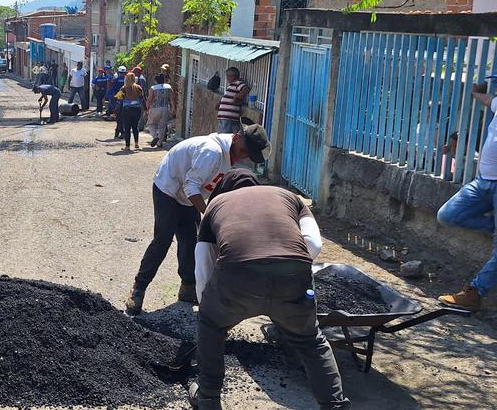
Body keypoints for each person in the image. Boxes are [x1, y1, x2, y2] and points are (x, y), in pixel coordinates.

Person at [188, 169, 350, 410]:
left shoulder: (217, 204)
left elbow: (203, 263)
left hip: (237, 274)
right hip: (293, 275)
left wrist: (213, 313)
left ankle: (208, 399)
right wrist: (286, 269)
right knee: (310, 341)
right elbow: (314, 243)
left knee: (209, 326)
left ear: (224, 190)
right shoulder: (290, 196)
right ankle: (335, 406)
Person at [125, 125, 270, 314]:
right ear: (236, 137)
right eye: (243, 150)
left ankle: (187, 287)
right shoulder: (212, 152)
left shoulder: (227, 155)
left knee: (191, 240)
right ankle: (138, 289)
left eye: (247, 154)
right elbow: (190, 185)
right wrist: (209, 214)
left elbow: (206, 188)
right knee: (163, 239)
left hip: (187, 194)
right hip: (168, 187)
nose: (243, 156)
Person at [436, 77, 497, 310]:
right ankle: (492, 227)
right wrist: (476, 92)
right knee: (448, 215)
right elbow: (488, 99)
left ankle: (475, 293)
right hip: (483, 182)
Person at [146, 73, 177, 147]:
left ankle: (155, 136)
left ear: (156, 81)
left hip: (155, 108)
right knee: (162, 126)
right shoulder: (168, 87)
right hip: (165, 108)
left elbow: (150, 99)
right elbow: (172, 99)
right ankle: (159, 143)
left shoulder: (153, 88)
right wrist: (173, 108)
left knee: (150, 124)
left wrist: (146, 108)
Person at [217, 67, 250, 134]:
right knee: (222, 136)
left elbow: (246, 89)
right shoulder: (231, 85)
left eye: (227, 76)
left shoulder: (238, 83)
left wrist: (237, 97)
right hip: (224, 116)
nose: (227, 78)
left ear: (232, 76)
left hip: (228, 116)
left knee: (225, 137)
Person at [119, 72, 144, 151]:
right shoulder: (138, 88)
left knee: (127, 128)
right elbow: (143, 99)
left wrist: (115, 110)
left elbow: (119, 99)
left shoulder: (123, 88)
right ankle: (136, 143)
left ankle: (127, 146)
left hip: (127, 110)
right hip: (137, 110)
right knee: (135, 126)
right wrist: (146, 109)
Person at [107, 66, 127, 138]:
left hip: (118, 101)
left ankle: (120, 131)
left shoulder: (116, 80)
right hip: (127, 101)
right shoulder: (128, 81)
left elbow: (112, 91)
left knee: (119, 117)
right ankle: (119, 130)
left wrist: (108, 97)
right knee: (123, 117)